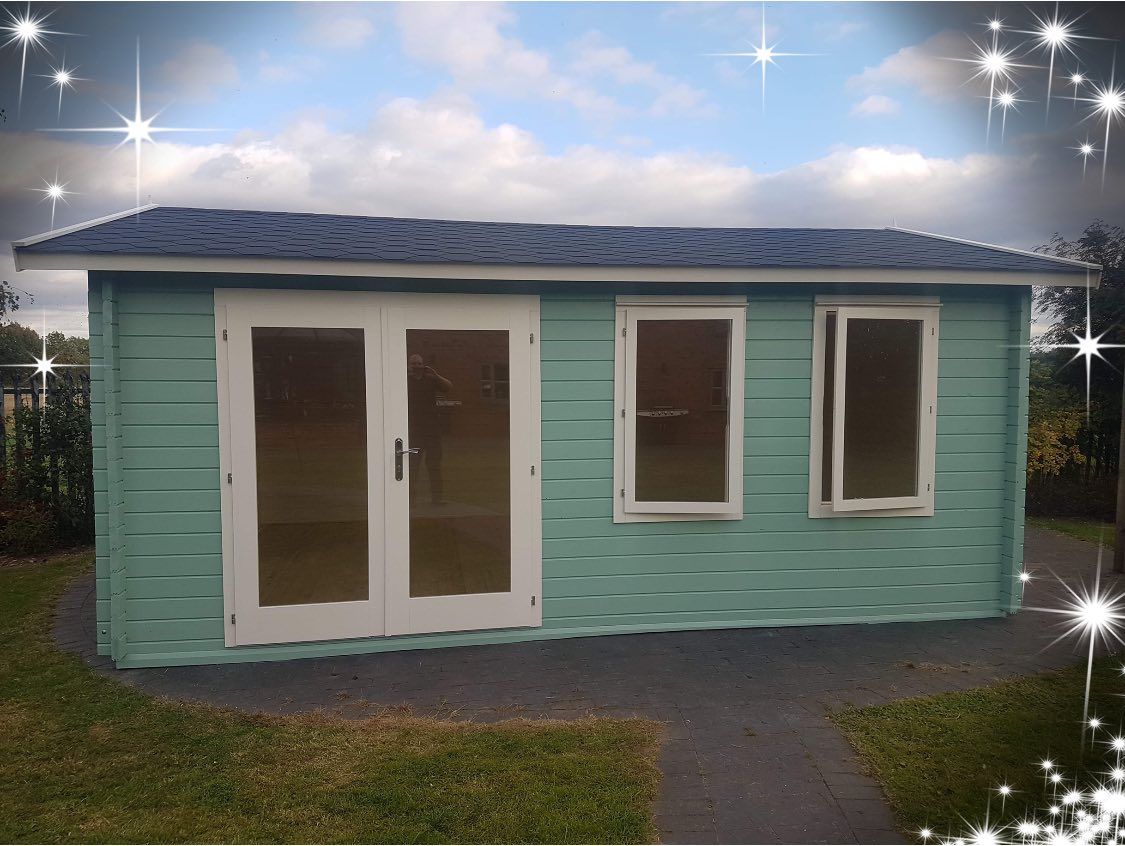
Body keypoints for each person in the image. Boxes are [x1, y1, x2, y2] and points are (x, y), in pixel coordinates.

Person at [407, 353, 452, 504]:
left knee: (434, 466)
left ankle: (437, 499)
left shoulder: (431, 380)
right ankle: (410, 499)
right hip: (414, 431)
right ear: (409, 366)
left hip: (432, 431)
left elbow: (448, 387)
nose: (417, 366)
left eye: (419, 364)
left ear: (423, 365)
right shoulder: (405, 381)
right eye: (414, 364)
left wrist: (436, 375)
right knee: (412, 466)